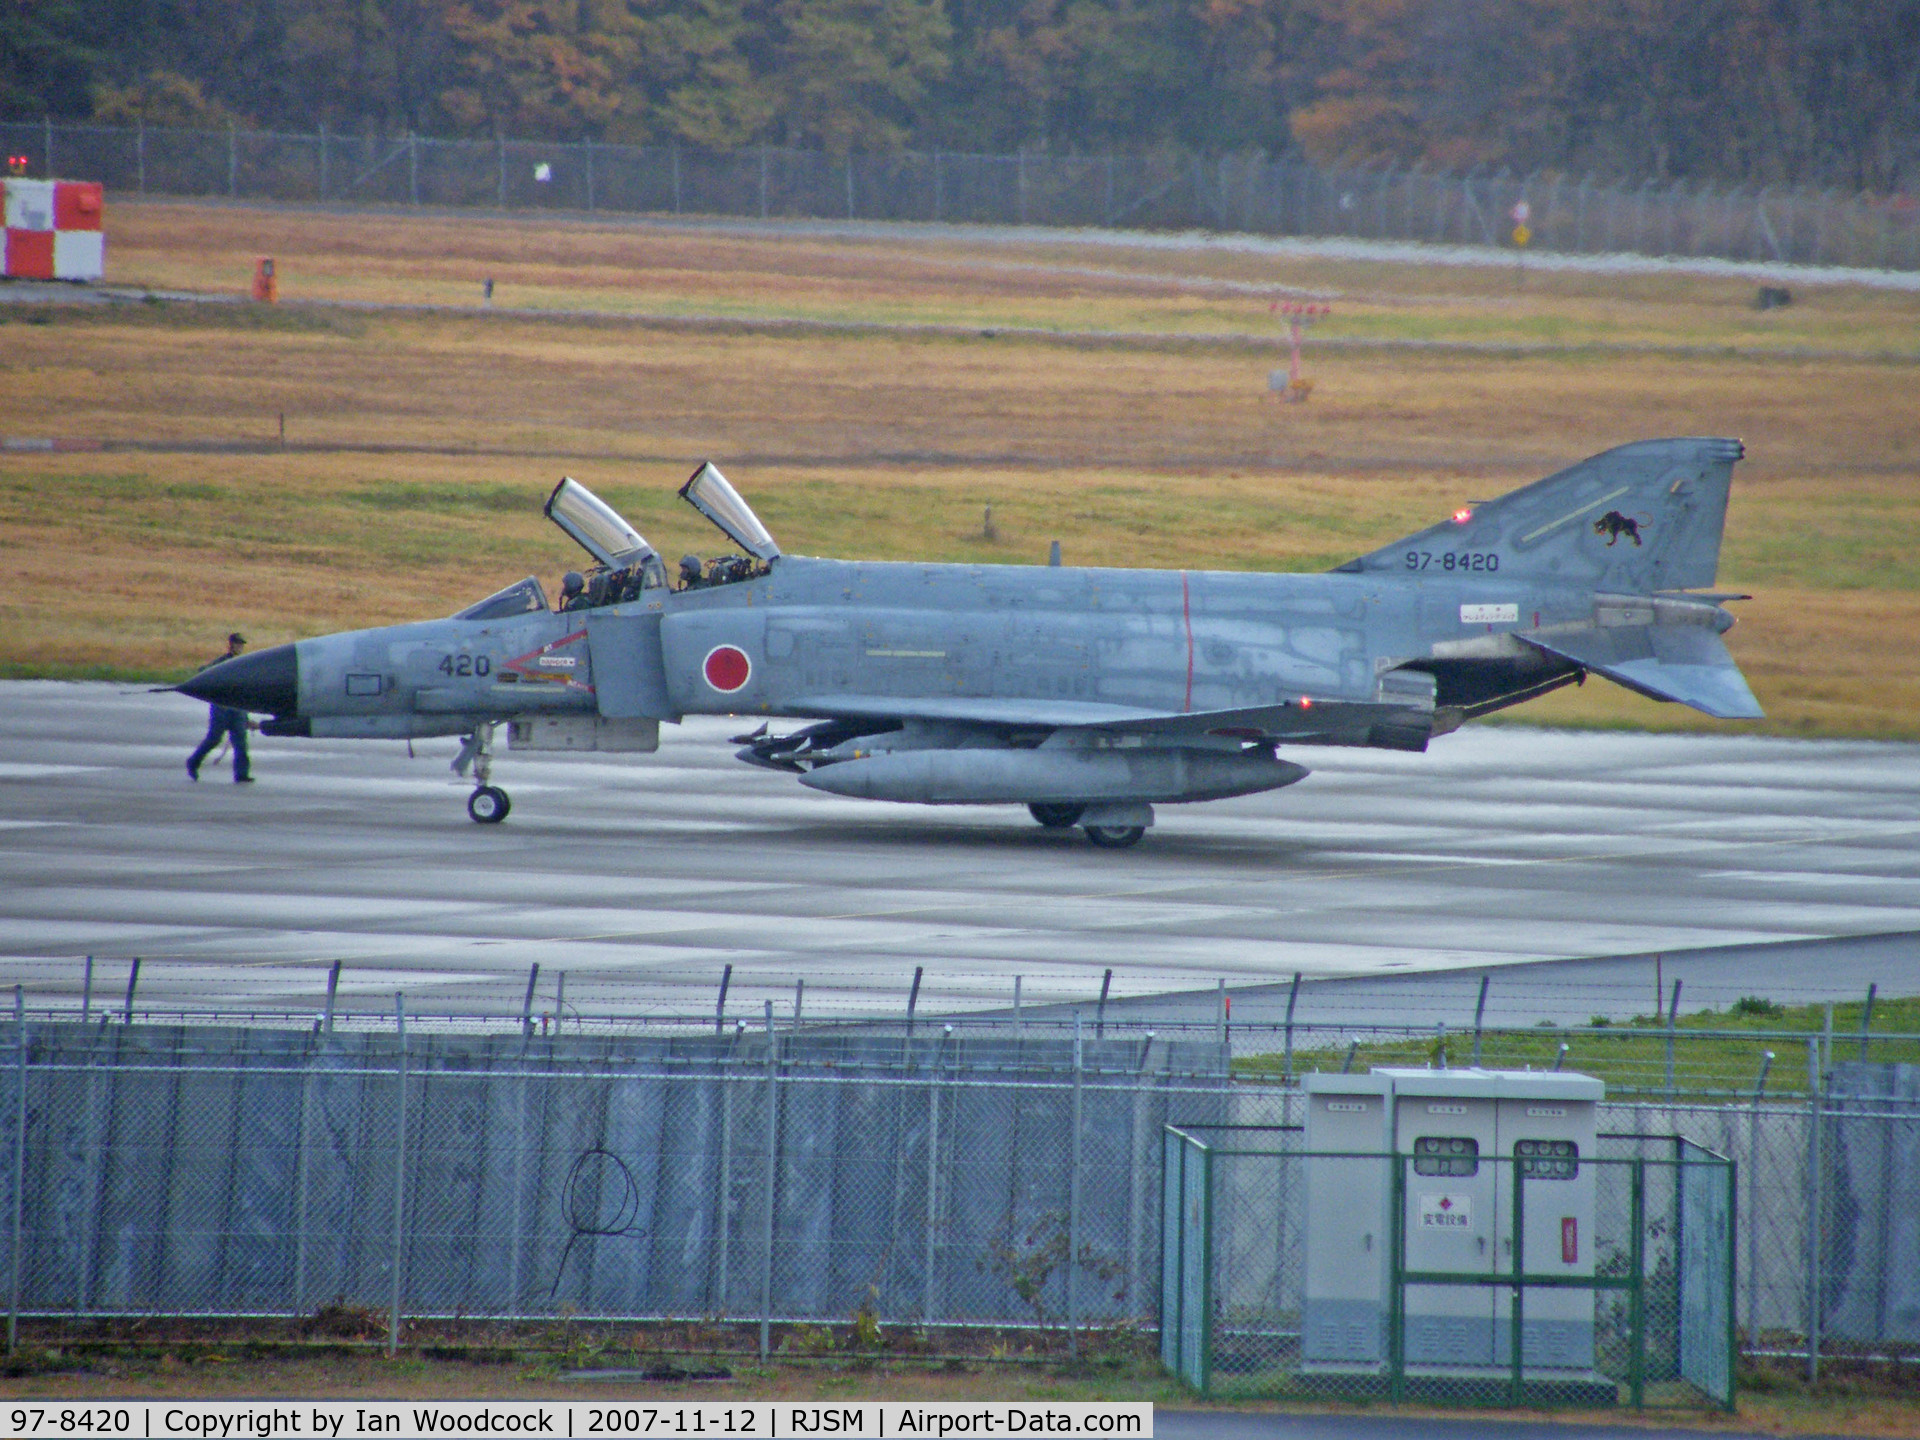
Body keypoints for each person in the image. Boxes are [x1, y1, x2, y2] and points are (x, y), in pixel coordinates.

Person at [187, 633, 255, 783]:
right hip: (221, 709)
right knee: (213, 739)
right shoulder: (222, 663)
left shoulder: (244, 664)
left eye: (241, 645)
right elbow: (203, 671)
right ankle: (193, 763)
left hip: (238, 709)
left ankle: (241, 774)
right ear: (230, 645)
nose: (240, 647)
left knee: (241, 744)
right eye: (237, 644)